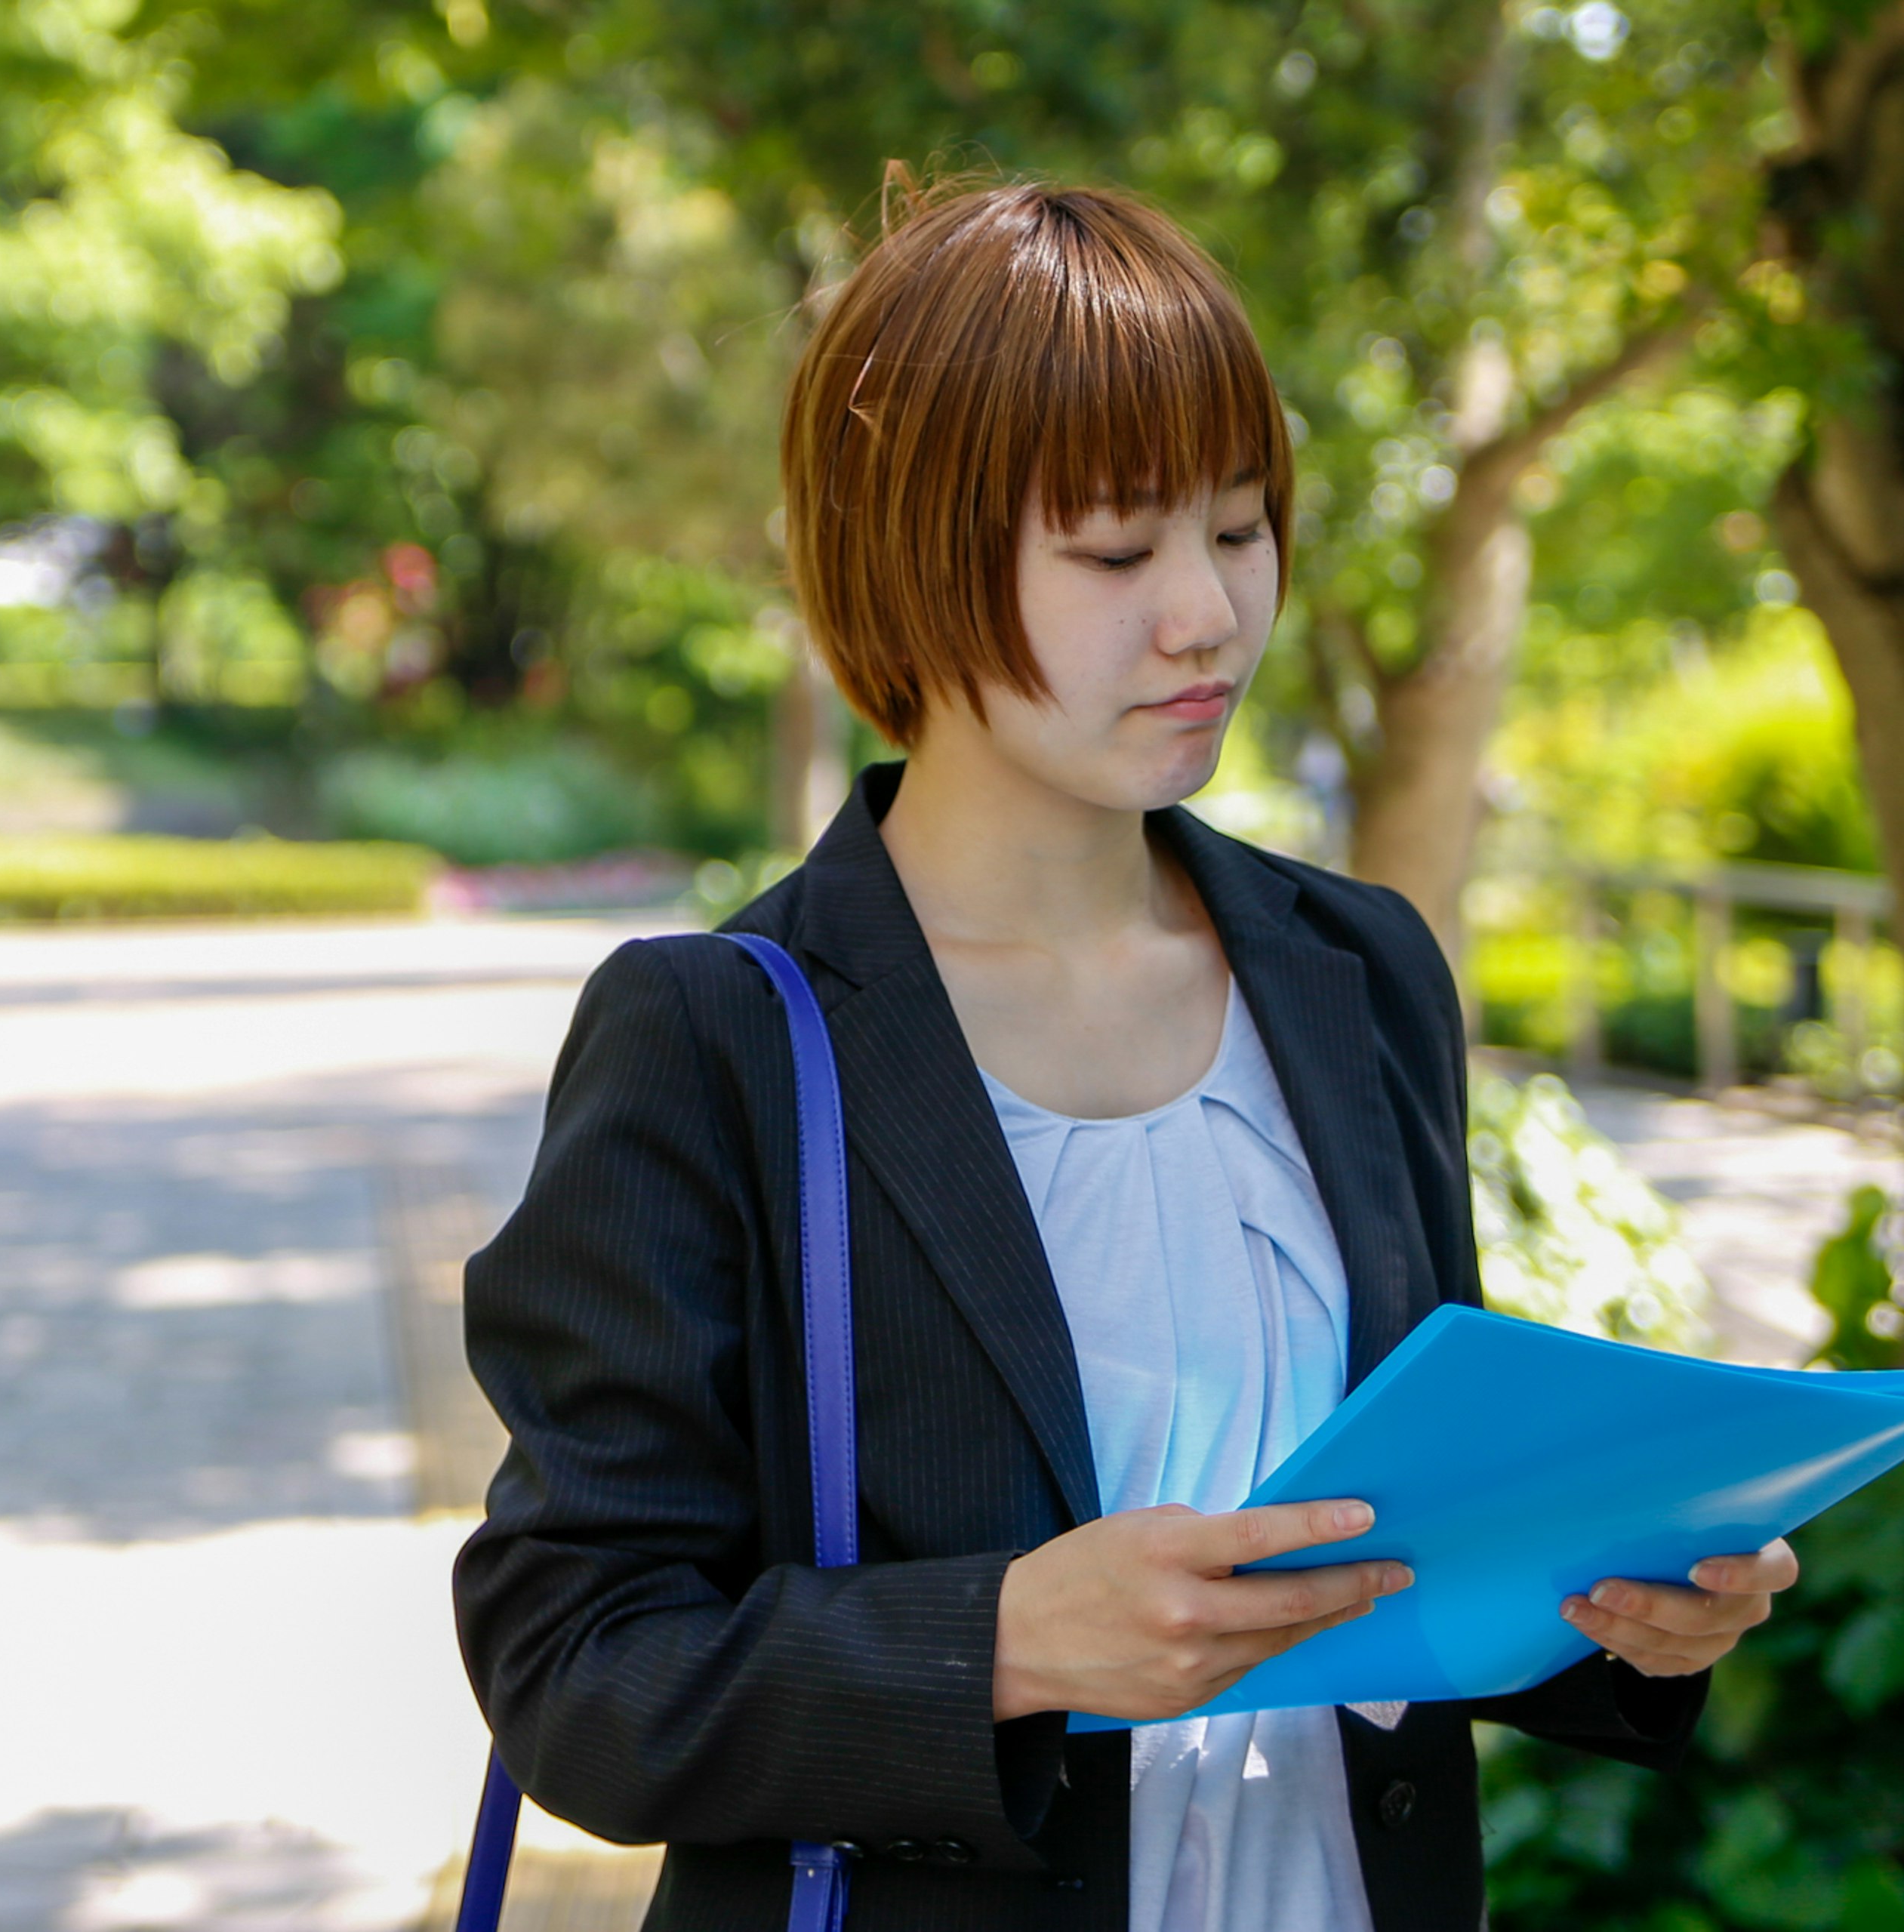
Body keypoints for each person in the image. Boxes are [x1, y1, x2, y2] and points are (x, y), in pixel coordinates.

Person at [453, 176, 1798, 1932]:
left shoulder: (1355, 967)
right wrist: (1003, 1641)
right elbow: (579, 1663)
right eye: (1113, 549)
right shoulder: (720, 1032)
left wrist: (1618, 1607)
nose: (1209, 617)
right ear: (911, 557)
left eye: (1241, 528)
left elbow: (1394, 1550)